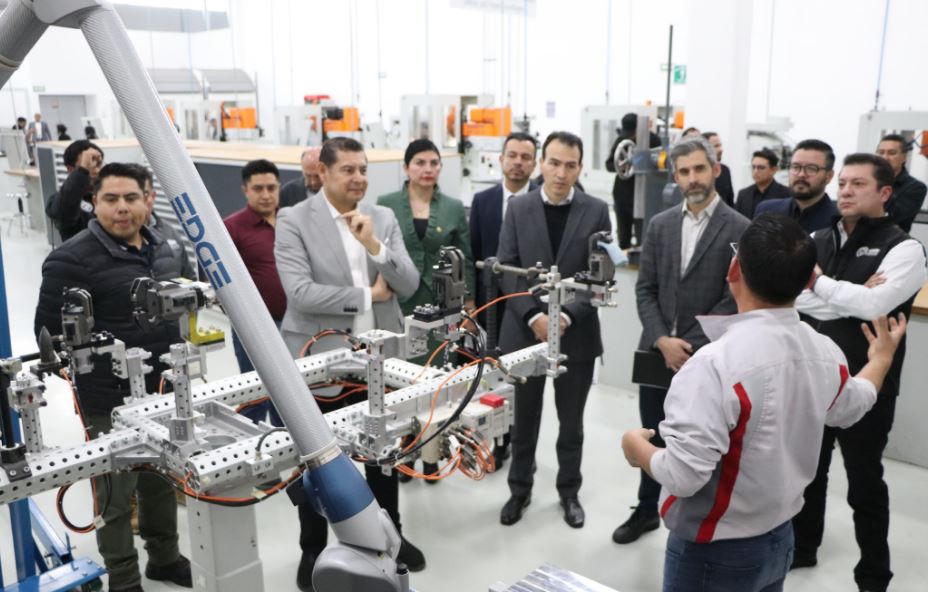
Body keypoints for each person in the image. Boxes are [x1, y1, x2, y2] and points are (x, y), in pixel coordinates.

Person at [620, 212, 909, 592]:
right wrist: (881, 359)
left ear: (733, 269)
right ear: (808, 282)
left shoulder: (713, 366)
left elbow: (684, 476)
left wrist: (635, 447)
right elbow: (854, 403)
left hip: (714, 552)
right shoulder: (825, 353)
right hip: (779, 540)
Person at [274, 137, 425, 591]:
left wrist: (375, 246)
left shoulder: (382, 217)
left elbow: (411, 282)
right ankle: (313, 548)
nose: (359, 178)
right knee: (315, 459)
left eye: (363, 169)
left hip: (378, 359)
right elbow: (299, 292)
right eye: (348, 170)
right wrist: (368, 296)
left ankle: (390, 541)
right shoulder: (293, 219)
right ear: (322, 171)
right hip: (318, 359)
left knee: (384, 452)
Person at [33, 163, 192, 592]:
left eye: (131, 198)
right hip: (109, 400)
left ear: (147, 200)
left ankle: (165, 557)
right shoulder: (71, 259)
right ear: (94, 203)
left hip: (164, 389)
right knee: (116, 494)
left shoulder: (166, 246)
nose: (122, 208)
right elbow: (48, 334)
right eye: (111, 199)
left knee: (162, 479)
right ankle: (123, 578)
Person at [791, 153, 927, 592]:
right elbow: (794, 300)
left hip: (870, 380)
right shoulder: (818, 237)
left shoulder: (905, 247)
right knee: (809, 473)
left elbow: (874, 306)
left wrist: (818, 283)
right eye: (842, 183)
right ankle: (804, 547)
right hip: (817, 376)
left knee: (865, 483)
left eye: (858, 184)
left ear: (885, 193)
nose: (845, 191)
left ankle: (873, 575)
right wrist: (846, 294)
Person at [612, 136, 750, 545]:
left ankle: (700, 513)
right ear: (675, 176)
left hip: (706, 357)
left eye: (700, 169)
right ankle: (645, 509)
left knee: (702, 436)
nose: (693, 179)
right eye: (685, 171)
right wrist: (662, 340)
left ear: (716, 170)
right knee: (652, 431)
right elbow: (645, 289)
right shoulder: (660, 225)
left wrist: (687, 347)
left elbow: (734, 297)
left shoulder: (740, 228)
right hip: (656, 353)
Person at [497, 131, 611, 530]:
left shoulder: (597, 211)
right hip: (525, 333)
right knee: (524, 418)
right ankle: (519, 489)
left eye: (570, 165)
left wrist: (565, 316)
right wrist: (534, 316)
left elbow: (601, 279)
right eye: (554, 162)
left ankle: (569, 491)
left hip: (576, 336)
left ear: (580, 168)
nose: (561, 173)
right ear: (541, 163)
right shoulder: (519, 208)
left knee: (572, 422)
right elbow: (507, 270)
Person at [469, 131, 538, 469]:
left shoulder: (542, 201)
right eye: (512, 155)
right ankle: (497, 439)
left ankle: (515, 441)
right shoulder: (482, 202)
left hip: (525, 306)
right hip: (489, 306)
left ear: (534, 163)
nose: (518, 163)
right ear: (501, 159)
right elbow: (474, 254)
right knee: (490, 378)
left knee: (520, 382)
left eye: (526, 157)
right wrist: (472, 302)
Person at [223, 159, 287, 427]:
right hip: (252, 325)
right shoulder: (231, 228)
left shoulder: (290, 221)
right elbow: (223, 282)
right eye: (258, 188)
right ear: (245, 190)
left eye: (271, 187)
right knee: (256, 392)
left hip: (293, 323)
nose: (266, 194)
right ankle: (254, 452)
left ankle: (290, 444)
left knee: (291, 392)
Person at [126, 164, 196, 281]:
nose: (140, 201)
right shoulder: (109, 240)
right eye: (132, 197)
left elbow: (189, 280)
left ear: (153, 196)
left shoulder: (170, 232)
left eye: (145, 194)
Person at [755, 139, 839, 233]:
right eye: (795, 167)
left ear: (829, 176)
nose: (801, 174)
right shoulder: (767, 211)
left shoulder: (839, 220)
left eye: (811, 169)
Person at [607, 113, 662, 249]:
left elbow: (660, 164)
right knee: (623, 237)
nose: (629, 136)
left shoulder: (654, 141)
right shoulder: (621, 141)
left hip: (644, 196)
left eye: (632, 133)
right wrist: (626, 165)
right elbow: (609, 165)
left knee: (642, 237)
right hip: (622, 194)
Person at [45, 139, 105, 242]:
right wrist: (83, 170)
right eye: (90, 166)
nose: (96, 170)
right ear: (71, 169)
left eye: (98, 164)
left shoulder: (108, 196)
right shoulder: (62, 200)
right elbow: (62, 209)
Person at [876, 133, 927, 233]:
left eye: (891, 153)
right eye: (881, 152)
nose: (885, 157)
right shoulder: (867, 180)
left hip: (890, 244)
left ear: (904, 157)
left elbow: (893, 217)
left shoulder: (916, 188)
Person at [734, 148, 790, 218]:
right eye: (753, 167)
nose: (756, 171)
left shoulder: (787, 195)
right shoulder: (743, 194)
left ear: (774, 170)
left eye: (761, 168)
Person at [702, 132, 734, 207]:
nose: (720, 149)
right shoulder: (697, 173)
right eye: (716, 146)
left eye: (720, 145)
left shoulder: (725, 170)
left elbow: (730, 201)